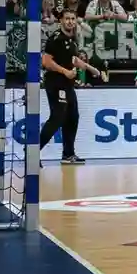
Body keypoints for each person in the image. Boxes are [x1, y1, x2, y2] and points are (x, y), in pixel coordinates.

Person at [39, 11, 99, 164]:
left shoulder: (72, 39)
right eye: (67, 19)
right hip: (56, 83)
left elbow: (73, 59)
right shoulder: (56, 39)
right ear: (61, 21)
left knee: (72, 117)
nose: (70, 22)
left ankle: (68, 155)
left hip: (66, 85)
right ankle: (32, 152)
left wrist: (91, 69)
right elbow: (46, 61)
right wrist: (65, 71)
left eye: (73, 19)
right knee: (57, 118)